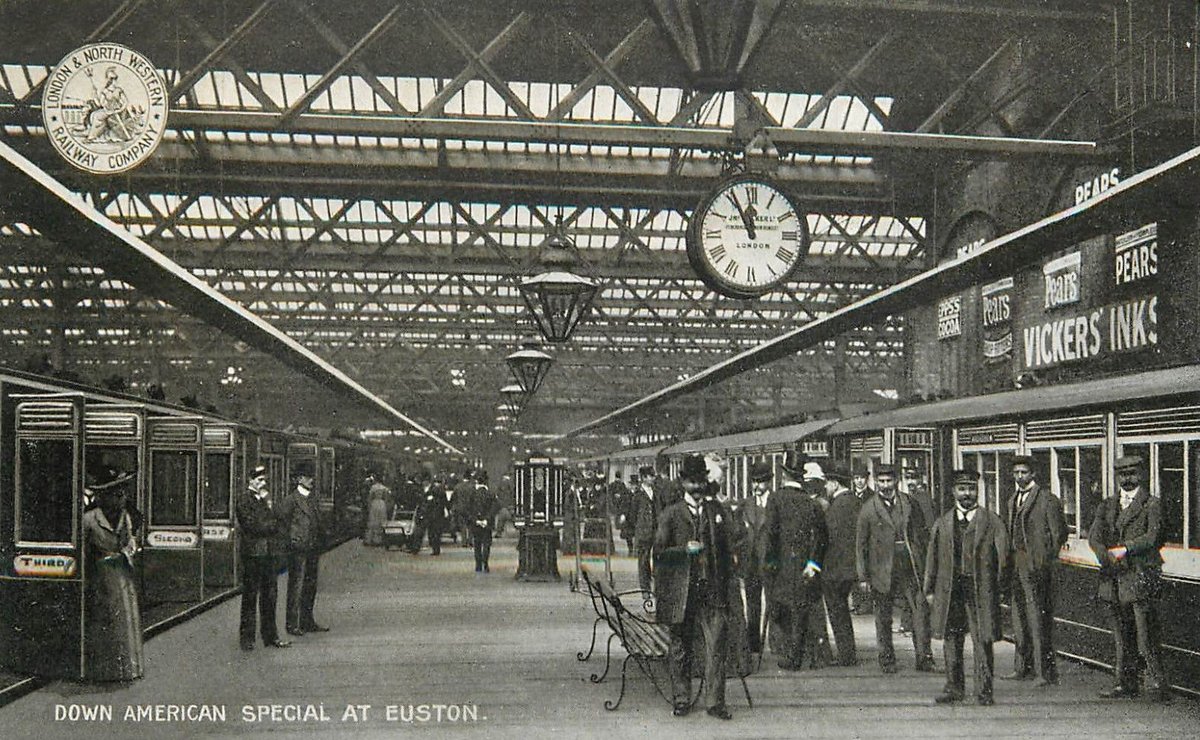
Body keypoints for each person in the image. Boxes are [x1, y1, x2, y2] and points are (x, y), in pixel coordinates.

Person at [655, 454, 742, 720]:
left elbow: (729, 549)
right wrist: (683, 550)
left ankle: (715, 702)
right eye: (692, 482)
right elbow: (658, 553)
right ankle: (682, 699)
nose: (697, 487)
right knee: (681, 646)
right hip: (682, 592)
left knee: (716, 644)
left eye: (701, 481)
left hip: (712, 590)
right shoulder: (671, 514)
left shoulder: (717, 511)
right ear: (683, 483)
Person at [1089, 455, 1169, 701]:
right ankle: (1125, 683)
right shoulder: (1107, 505)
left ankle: (1157, 684)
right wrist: (1108, 558)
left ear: (1141, 475)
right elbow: (1094, 537)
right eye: (1123, 474)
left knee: (1146, 634)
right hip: (1114, 577)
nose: (1127, 478)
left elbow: (1154, 537)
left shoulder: (1152, 504)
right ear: (1117, 477)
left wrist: (1125, 548)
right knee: (1121, 635)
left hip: (1141, 577)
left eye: (1132, 473)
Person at [924, 470, 1007, 706]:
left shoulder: (992, 522)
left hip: (980, 589)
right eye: (962, 489)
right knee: (951, 639)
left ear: (977, 491)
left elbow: (1003, 558)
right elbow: (933, 559)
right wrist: (929, 589)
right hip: (950, 590)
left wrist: (1000, 588)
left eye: (971, 489)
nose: (966, 494)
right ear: (953, 492)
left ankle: (984, 690)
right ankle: (953, 688)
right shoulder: (942, 523)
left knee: (983, 639)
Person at [856, 464, 934, 674]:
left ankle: (924, 657)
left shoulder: (909, 503)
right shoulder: (868, 509)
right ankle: (887, 659)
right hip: (881, 569)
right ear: (876, 483)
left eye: (889, 481)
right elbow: (861, 545)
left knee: (919, 611)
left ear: (896, 481)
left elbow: (922, 535)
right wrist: (863, 576)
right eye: (881, 481)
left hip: (909, 566)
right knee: (883, 617)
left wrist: (925, 565)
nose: (885, 485)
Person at [1003, 454, 1068, 686]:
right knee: (1019, 619)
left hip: (1038, 569)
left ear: (1033, 474)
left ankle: (1044, 673)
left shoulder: (1047, 500)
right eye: (1016, 473)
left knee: (1038, 620)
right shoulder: (1012, 500)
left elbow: (1059, 533)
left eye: (1024, 472)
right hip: (1016, 567)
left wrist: (1043, 560)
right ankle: (1022, 668)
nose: (1019, 477)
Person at [764, 452, 828, 671]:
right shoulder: (812, 503)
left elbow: (771, 535)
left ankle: (791, 653)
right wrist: (814, 564)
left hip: (781, 564)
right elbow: (821, 537)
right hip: (804, 565)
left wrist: (769, 563)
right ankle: (801, 653)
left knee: (780, 608)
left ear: (783, 475)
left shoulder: (775, 499)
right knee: (801, 609)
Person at [81, 468, 143, 681]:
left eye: (122, 494)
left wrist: (129, 551)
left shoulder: (126, 518)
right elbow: (83, 551)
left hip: (122, 574)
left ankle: (128, 668)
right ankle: (103, 671)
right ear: (104, 496)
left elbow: (129, 542)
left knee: (125, 621)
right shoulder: (89, 519)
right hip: (100, 575)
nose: (122, 498)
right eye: (117, 494)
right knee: (103, 621)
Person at [236, 465, 291, 651]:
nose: (263, 483)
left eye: (264, 480)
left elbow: (279, 520)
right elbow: (251, 525)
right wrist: (270, 525)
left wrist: (269, 519)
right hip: (253, 554)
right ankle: (247, 639)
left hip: (268, 554)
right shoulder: (244, 500)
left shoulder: (267, 500)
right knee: (250, 596)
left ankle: (271, 636)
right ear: (250, 481)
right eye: (259, 480)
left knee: (270, 596)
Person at [279, 472, 329, 636]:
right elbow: (282, 524)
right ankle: (292, 624)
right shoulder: (291, 500)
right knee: (297, 587)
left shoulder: (312, 499)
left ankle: (308, 621)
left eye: (312, 477)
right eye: (308, 477)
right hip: (298, 550)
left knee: (310, 586)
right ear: (299, 479)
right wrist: (292, 541)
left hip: (312, 548)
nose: (312, 480)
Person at [822, 465, 861, 666]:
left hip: (835, 569)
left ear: (835, 483)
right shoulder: (856, 502)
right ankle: (849, 652)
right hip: (852, 567)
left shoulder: (835, 507)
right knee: (843, 610)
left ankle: (846, 654)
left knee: (837, 612)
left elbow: (828, 538)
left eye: (827, 482)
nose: (826, 486)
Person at [739, 461, 774, 654]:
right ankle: (754, 644)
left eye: (760, 482)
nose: (756, 486)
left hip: (770, 562)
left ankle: (775, 643)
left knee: (772, 603)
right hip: (751, 564)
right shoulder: (746, 504)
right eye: (753, 482)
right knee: (752, 606)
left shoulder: (775, 503)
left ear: (769, 482)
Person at [631, 465, 659, 594]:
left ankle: (655, 586)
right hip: (643, 531)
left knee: (657, 557)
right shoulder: (637, 495)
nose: (652, 478)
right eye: (650, 476)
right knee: (643, 560)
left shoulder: (656, 492)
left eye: (653, 475)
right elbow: (633, 514)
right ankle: (645, 588)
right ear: (643, 478)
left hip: (656, 529)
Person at [468, 471, 499, 573]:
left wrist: (476, 520)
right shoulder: (491, 494)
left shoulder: (472, 494)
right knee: (486, 544)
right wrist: (487, 519)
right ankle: (485, 563)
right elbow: (494, 508)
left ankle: (478, 565)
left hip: (475, 523)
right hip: (487, 523)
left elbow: (468, 509)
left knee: (477, 544)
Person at [363, 473, 391, 546]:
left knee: (373, 520)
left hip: (374, 503)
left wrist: (369, 506)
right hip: (382, 504)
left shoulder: (373, 487)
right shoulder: (384, 488)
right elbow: (386, 498)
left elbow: (370, 497)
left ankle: (370, 539)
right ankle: (379, 540)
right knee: (381, 520)